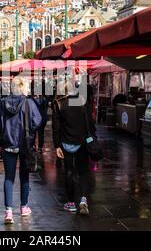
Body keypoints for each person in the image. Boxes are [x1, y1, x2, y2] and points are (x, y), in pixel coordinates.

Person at [0, 77, 42, 224]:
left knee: (9, 177)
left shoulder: (2, 103)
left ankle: (8, 212)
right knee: (24, 176)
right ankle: (24, 207)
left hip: (7, 144)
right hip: (25, 144)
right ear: (24, 87)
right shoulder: (29, 103)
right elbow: (38, 121)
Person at [52, 79, 95, 216]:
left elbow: (56, 128)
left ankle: (71, 203)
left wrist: (57, 145)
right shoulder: (81, 100)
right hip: (82, 142)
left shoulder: (59, 104)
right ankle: (83, 199)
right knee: (83, 172)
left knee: (69, 172)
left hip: (66, 143)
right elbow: (90, 122)